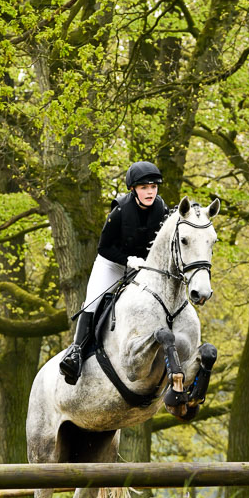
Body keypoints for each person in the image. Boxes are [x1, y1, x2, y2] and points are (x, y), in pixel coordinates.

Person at [60, 161, 168, 385]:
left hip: (143, 267)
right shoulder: (119, 211)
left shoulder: (161, 209)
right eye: (144, 187)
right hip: (113, 263)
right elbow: (103, 247)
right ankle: (76, 352)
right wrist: (127, 260)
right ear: (133, 190)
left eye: (153, 187)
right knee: (92, 302)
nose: (150, 192)